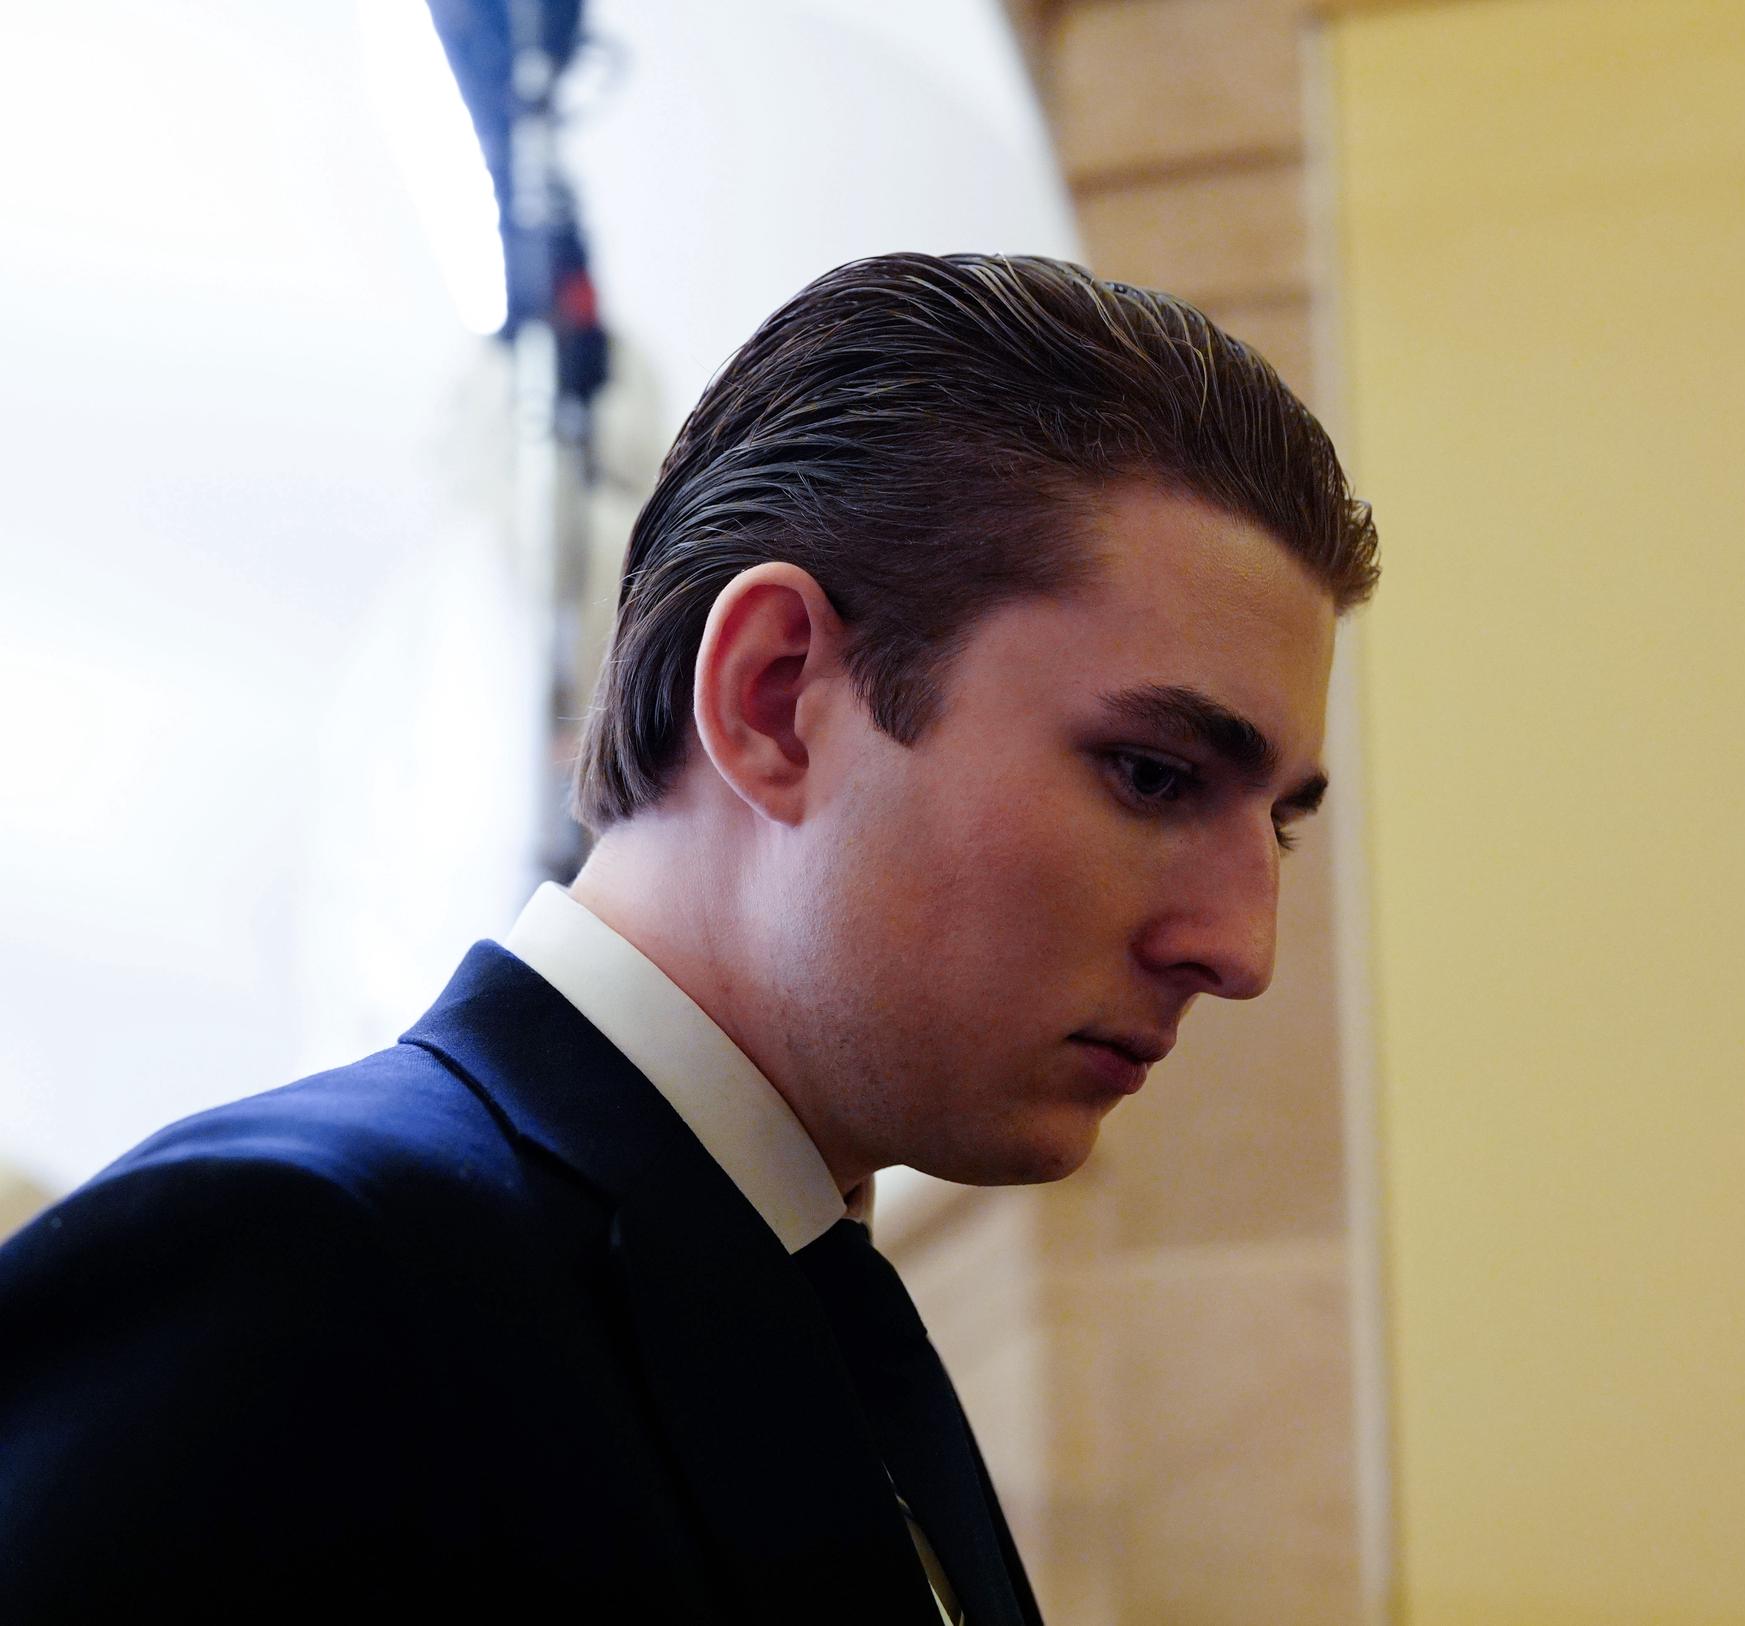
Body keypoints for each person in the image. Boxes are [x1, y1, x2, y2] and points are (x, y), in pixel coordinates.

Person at [0, 253, 1379, 1622]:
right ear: (774, 694)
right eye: (1151, 773)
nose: (1241, 947)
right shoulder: (296, 1272)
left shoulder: (822, 1305)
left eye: (1282, 824)